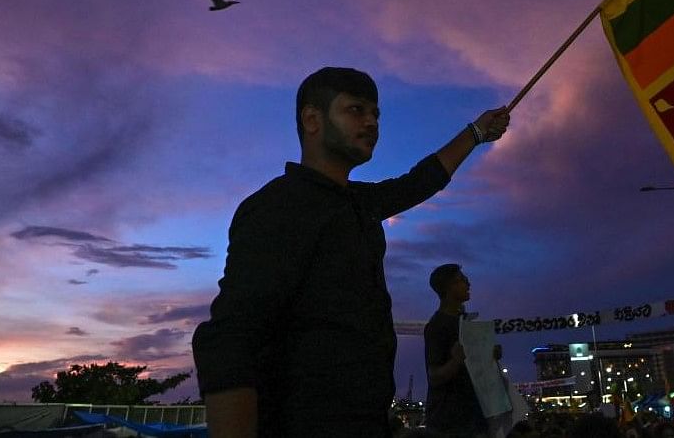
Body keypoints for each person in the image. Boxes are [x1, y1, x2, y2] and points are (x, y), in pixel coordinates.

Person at [192, 66, 510, 438]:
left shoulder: (359, 202)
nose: (372, 122)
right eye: (356, 110)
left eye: (376, 113)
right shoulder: (277, 207)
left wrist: (475, 133)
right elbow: (232, 338)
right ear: (312, 119)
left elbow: (419, 182)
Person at [423, 263, 501, 437]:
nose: (468, 283)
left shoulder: (464, 323)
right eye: (462, 280)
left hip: (472, 417)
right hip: (450, 422)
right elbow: (434, 376)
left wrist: (489, 356)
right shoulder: (437, 326)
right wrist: (457, 360)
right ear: (448, 288)